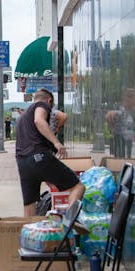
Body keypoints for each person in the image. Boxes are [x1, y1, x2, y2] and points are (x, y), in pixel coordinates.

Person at [15, 88, 85, 217]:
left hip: (23, 162)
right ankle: (69, 222)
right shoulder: (42, 104)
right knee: (78, 187)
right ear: (49, 100)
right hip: (39, 155)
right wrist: (56, 143)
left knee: (29, 204)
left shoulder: (22, 117)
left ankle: (29, 234)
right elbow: (39, 120)